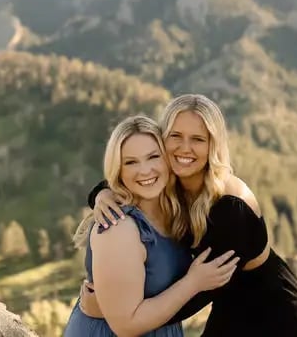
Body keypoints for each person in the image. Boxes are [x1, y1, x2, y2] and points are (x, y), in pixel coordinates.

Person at [81, 94, 297, 336]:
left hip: (275, 312)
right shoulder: (172, 182)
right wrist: (102, 194)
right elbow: (129, 176)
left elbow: (200, 290)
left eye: (198, 139)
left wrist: (116, 312)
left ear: (212, 145)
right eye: (176, 136)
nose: (185, 148)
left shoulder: (231, 207)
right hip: (228, 302)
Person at [64, 115, 240, 337]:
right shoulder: (118, 227)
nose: (145, 170)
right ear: (118, 170)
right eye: (130, 162)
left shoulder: (176, 211)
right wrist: (194, 282)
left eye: (153, 157)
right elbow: (126, 326)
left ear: (167, 159)